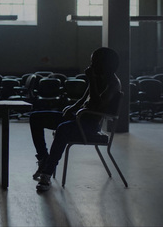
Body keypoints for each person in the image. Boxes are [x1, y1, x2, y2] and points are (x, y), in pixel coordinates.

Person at [29, 47, 121, 191]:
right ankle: (43, 159)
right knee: (36, 117)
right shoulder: (98, 77)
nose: (91, 66)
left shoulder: (113, 84)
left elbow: (97, 105)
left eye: (94, 62)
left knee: (63, 129)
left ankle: (47, 174)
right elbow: (84, 99)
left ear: (104, 63)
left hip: (89, 125)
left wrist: (91, 80)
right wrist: (72, 107)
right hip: (77, 117)